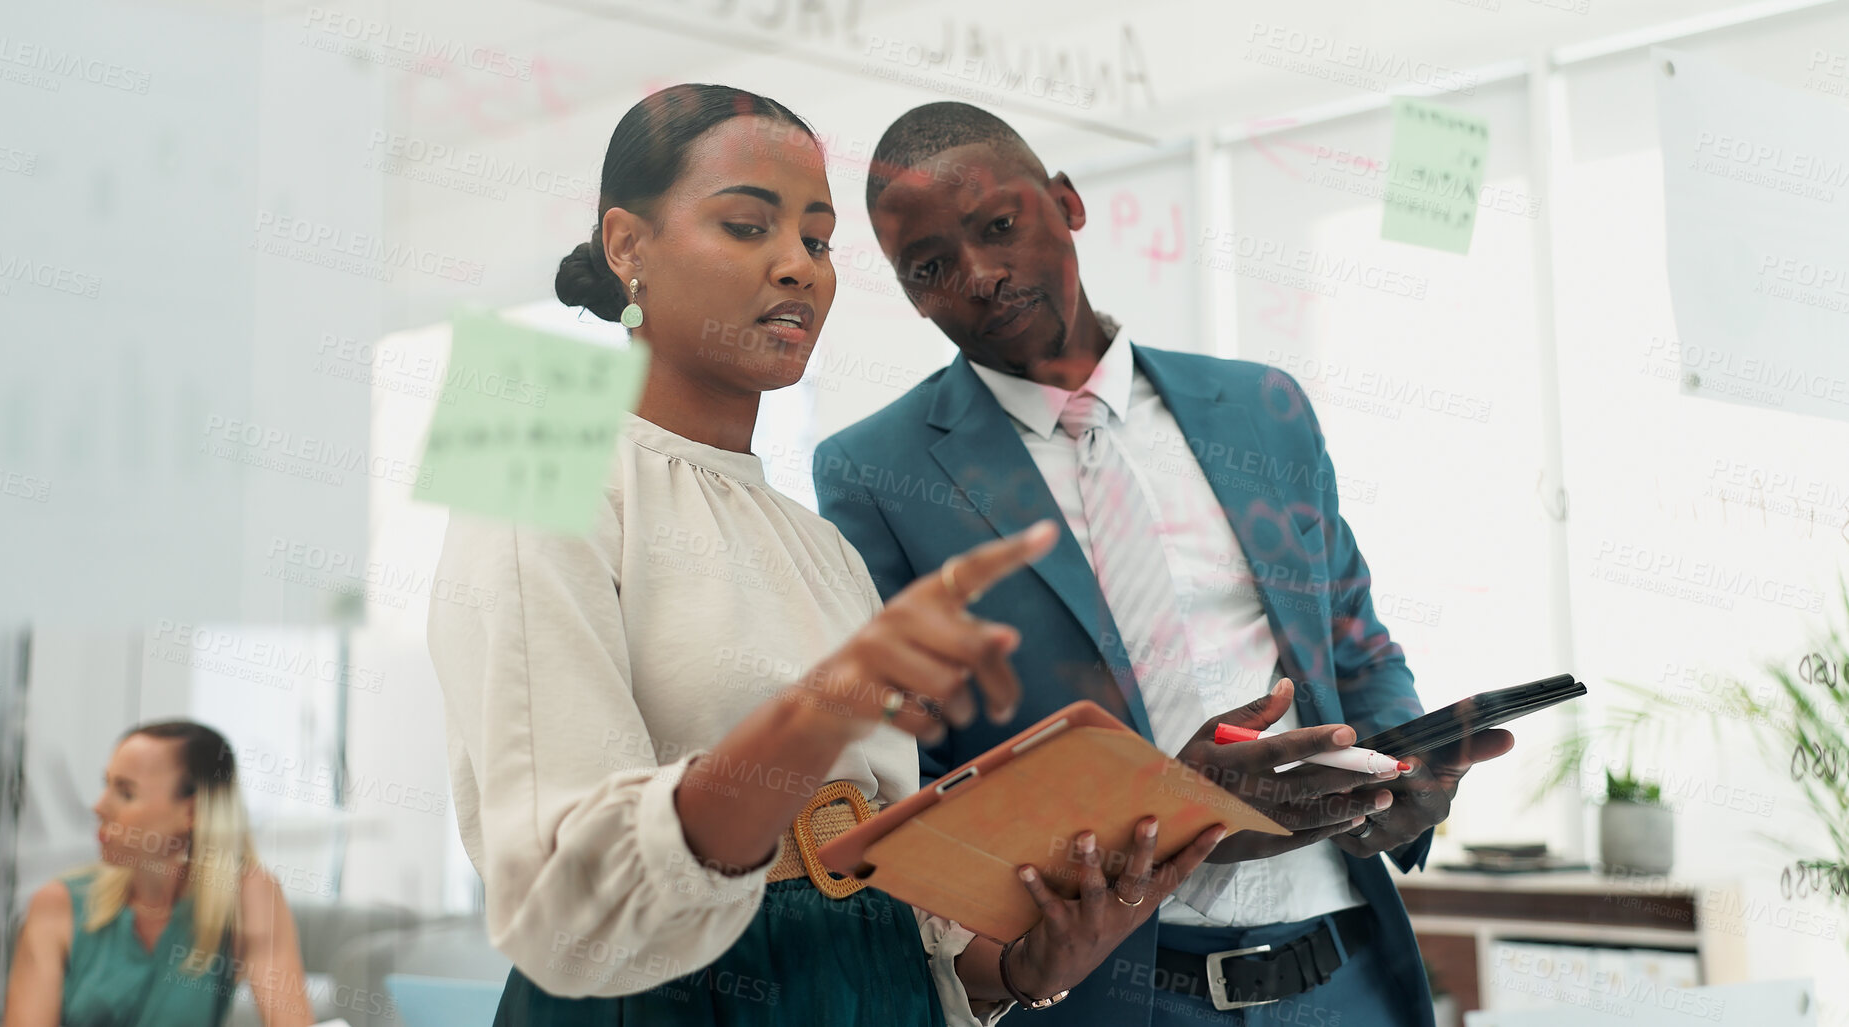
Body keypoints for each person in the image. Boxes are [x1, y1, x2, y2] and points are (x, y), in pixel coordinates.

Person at [424, 83, 1360, 1026]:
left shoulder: (819, 544)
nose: (796, 265)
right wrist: (822, 709)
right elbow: (575, 894)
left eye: (818, 241)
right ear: (629, 246)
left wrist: (1026, 960)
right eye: (748, 226)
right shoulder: (531, 468)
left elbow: (900, 905)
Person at [813, 101, 1517, 1026]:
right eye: (931, 267)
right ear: (911, 297)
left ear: (1065, 203)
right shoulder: (878, 470)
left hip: (1343, 972)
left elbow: (1350, 641)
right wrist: (1176, 818)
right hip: (1112, 990)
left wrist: (1405, 772)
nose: (980, 275)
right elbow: (922, 777)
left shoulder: (1261, 406)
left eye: (998, 226)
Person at [3, 721, 312, 1027]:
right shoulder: (58, 904)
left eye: (125, 793)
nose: (99, 807)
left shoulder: (248, 896)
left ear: (191, 812)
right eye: (106, 785)